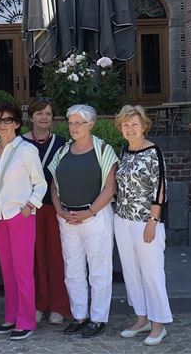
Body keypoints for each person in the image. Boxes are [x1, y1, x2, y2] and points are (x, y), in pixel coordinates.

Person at [48, 105, 119, 338]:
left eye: (79, 123)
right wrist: (59, 210)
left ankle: (97, 319)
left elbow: (110, 188)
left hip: (95, 218)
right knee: (73, 270)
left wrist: (89, 212)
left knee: (99, 270)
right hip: (67, 218)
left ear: (91, 124)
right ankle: (80, 316)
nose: (74, 127)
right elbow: (54, 186)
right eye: (70, 123)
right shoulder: (63, 151)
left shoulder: (103, 149)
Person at [0, 102, 47, 340]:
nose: (2, 125)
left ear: (17, 124)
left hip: (20, 217)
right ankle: (11, 317)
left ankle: (26, 321)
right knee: (7, 272)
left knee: (22, 272)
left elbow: (40, 183)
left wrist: (30, 206)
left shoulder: (26, 149)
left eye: (7, 120)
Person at [114, 105, 172, 346]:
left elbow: (160, 188)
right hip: (122, 220)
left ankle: (159, 324)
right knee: (131, 272)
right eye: (126, 125)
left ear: (144, 126)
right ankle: (142, 318)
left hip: (145, 222)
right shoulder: (124, 151)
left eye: (134, 124)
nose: (130, 129)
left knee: (152, 273)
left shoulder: (153, 151)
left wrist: (153, 220)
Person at [22, 98, 70, 325]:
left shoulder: (62, 143)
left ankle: (59, 306)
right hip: (28, 210)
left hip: (53, 208)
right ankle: (39, 303)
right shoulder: (19, 144)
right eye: (39, 113)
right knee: (35, 260)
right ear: (30, 117)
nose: (43, 117)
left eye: (48, 114)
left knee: (57, 258)